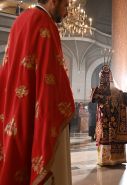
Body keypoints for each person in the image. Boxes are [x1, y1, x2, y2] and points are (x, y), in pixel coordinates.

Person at [0, 0, 74, 184]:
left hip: (13, 111)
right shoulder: (46, 25)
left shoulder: (19, 22)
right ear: (54, 1)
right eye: (65, 6)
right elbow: (52, 84)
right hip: (36, 115)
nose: (66, 13)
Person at [92, 64, 127, 166]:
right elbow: (95, 99)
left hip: (116, 125)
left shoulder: (119, 92)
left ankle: (117, 159)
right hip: (105, 123)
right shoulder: (98, 91)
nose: (107, 78)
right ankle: (106, 160)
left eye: (108, 76)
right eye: (104, 76)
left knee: (115, 138)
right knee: (105, 138)